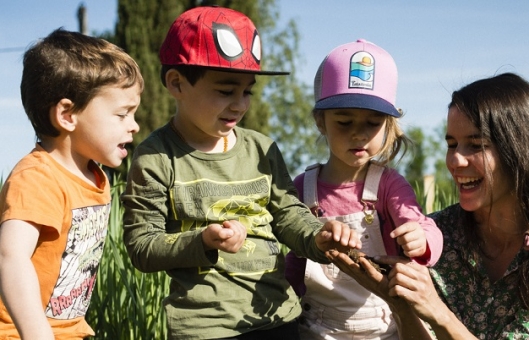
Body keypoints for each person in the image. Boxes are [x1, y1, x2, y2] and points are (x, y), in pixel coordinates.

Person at [121, 6, 361, 340]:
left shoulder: (261, 149)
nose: (240, 104)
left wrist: (318, 237)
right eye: (225, 90)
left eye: (247, 91)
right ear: (176, 83)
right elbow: (142, 247)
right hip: (206, 328)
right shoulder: (156, 157)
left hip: (279, 318)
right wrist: (202, 240)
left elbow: (289, 215)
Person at [327, 72, 529, 339]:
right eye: (451, 144)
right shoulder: (434, 238)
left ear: (519, 152)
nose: (455, 161)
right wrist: (399, 304)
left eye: (476, 145)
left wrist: (439, 312)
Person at [284, 39, 443, 339]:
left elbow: (424, 226)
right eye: (344, 122)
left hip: (383, 326)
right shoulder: (304, 188)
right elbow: (295, 261)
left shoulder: (388, 185)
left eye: (372, 123)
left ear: (388, 124)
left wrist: (421, 241)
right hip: (318, 329)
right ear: (321, 121)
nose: (358, 133)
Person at [0, 29, 143, 339]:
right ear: (67, 114)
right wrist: (37, 334)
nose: (134, 126)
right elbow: (11, 256)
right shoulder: (37, 178)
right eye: (122, 114)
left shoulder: (93, 175)